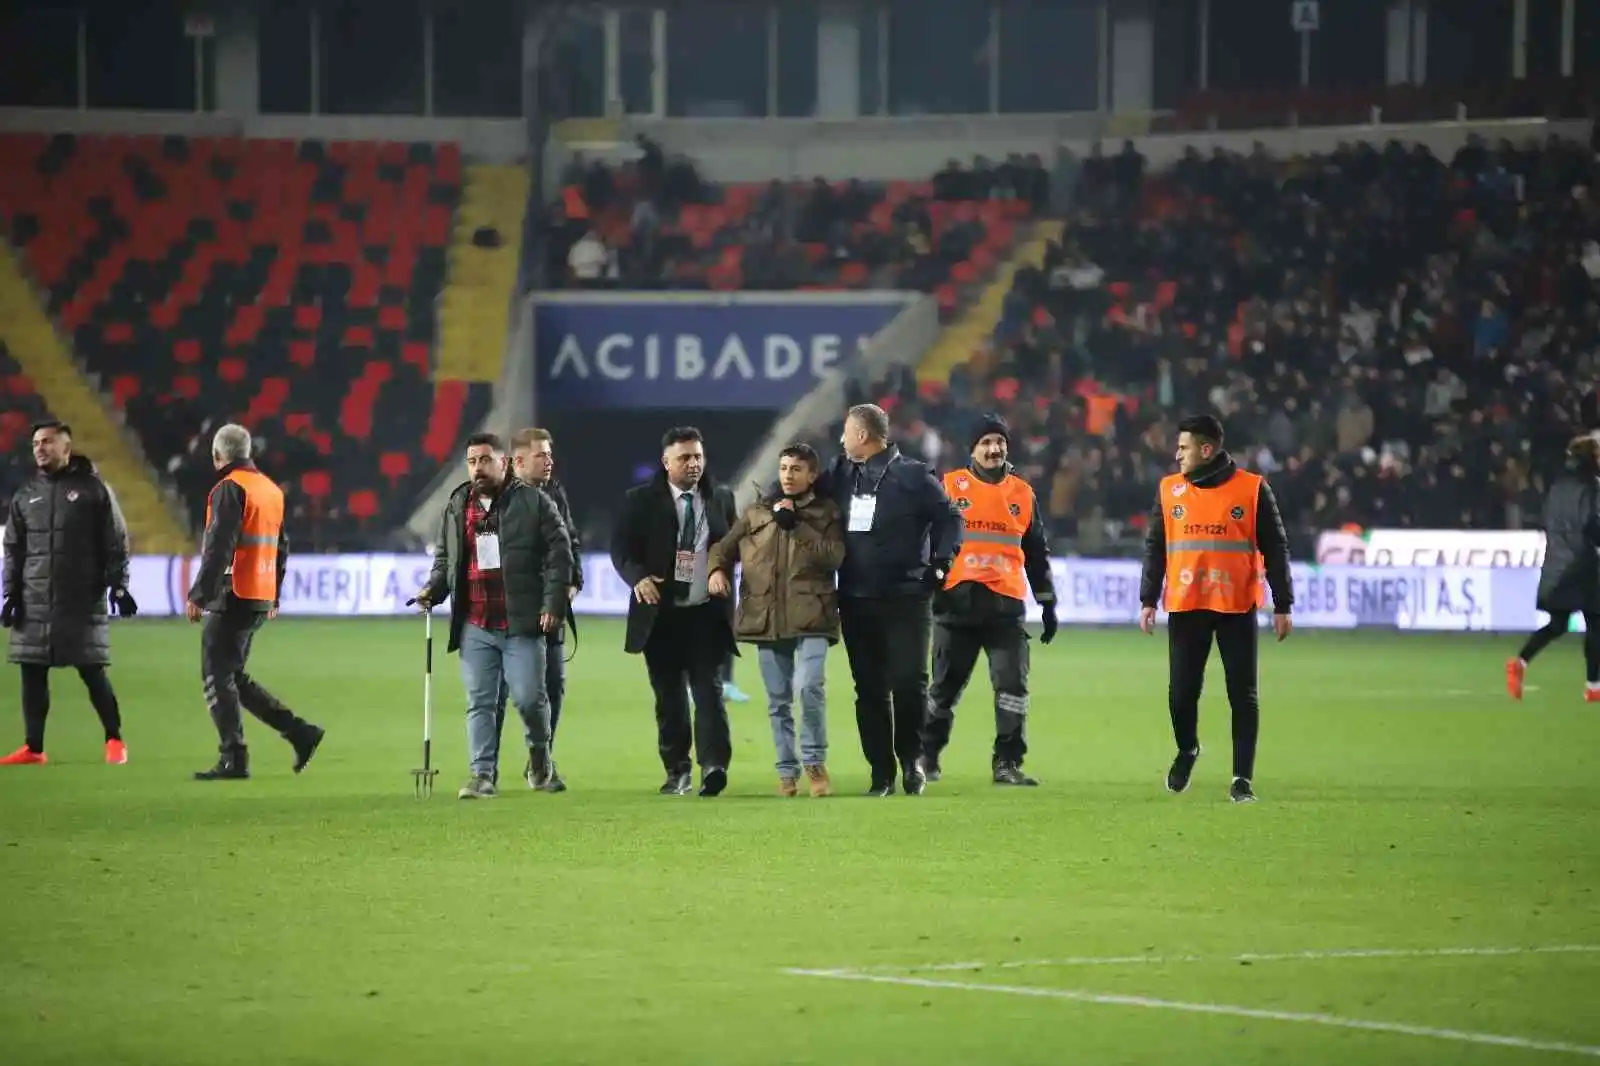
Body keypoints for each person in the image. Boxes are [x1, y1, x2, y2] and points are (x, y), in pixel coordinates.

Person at [786, 404, 963, 797]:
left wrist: (940, 563)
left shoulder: (914, 476)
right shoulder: (841, 473)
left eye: (847, 432)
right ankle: (880, 772)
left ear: (863, 436)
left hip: (907, 597)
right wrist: (780, 508)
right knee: (868, 688)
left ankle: (911, 763)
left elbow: (950, 518)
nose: (843, 439)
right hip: (855, 597)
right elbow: (808, 494)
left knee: (909, 683)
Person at [1138, 414, 1293, 804]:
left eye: (1184, 447)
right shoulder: (1169, 490)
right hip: (1187, 606)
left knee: (1243, 696)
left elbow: (1276, 549)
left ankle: (1242, 779)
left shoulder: (1253, 490)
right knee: (1180, 695)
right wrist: (1147, 599)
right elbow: (1156, 547)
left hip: (1236, 606)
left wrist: (1283, 603)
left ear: (1206, 450)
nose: (1177, 455)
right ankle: (1188, 749)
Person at [414, 432, 573, 800]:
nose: (478, 467)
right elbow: (446, 561)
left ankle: (539, 759)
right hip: (475, 623)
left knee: (530, 699)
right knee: (480, 702)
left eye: (485, 460)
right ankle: (482, 775)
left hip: (520, 623)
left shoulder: (534, 502)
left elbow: (560, 551)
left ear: (503, 463)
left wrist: (552, 605)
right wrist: (432, 591)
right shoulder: (457, 505)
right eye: (472, 461)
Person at [918, 415, 1058, 787]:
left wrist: (1047, 602)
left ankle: (1007, 764)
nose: (994, 449)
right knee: (942, 692)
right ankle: (926, 757)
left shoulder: (1023, 494)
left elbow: (1036, 552)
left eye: (999, 441)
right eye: (986, 443)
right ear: (972, 449)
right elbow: (925, 540)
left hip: (1005, 610)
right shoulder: (947, 486)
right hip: (955, 609)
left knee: (1012, 689)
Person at [186, 423, 325, 780]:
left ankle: (234, 757)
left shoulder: (229, 488)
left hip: (234, 591)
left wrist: (200, 594)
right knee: (233, 675)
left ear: (218, 456)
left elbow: (219, 546)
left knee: (216, 674)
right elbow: (282, 546)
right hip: (259, 593)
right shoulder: (270, 490)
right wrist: (274, 593)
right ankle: (299, 732)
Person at [708, 443, 846, 797]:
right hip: (766, 617)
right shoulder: (757, 513)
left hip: (813, 616)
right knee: (778, 699)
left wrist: (797, 526)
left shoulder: (826, 512)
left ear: (812, 475)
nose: (788, 474)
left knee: (809, 687)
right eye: (784, 468)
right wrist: (717, 572)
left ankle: (814, 762)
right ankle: (787, 771)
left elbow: (834, 557)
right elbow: (721, 548)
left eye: (796, 469)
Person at [610, 426, 738, 797]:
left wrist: (719, 570)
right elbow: (621, 549)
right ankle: (677, 769)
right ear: (666, 462)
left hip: (705, 614)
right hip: (660, 615)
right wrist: (637, 579)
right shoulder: (639, 500)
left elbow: (731, 546)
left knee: (710, 692)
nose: (694, 463)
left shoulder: (721, 497)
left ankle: (714, 766)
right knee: (670, 698)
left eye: (698, 456)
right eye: (685, 457)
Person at [0, 420, 136, 766]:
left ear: (66, 448)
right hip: (33, 600)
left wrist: (119, 585)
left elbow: (115, 541)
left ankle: (115, 740)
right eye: (35, 443)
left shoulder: (93, 490)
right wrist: (10, 595)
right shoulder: (25, 494)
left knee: (92, 670)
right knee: (31, 672)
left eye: (47, 442)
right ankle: (33, 748)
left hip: (80, 598)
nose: (40, 448)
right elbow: (13, 549)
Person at [496, 427, 580, 789]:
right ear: (518, 461)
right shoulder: (496, 499)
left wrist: (572, 582)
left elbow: (570, 543)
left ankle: (540, 759)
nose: (549, 461)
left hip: (550, 608)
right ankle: (485, 768)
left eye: (550, 454)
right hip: (506, 611)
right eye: (541, 455)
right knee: (499, 693)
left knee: (553, 686)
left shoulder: (554, 493)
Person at [1506, 434, 1600, 701]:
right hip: (1583, 563)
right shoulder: (1591, 485)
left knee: (1558, 623)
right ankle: (1593, 687)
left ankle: (1520, 662)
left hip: (1558, 561)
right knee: (1596, 622)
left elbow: (1551, 520)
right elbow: (1590, 523)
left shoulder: (1558, 485)